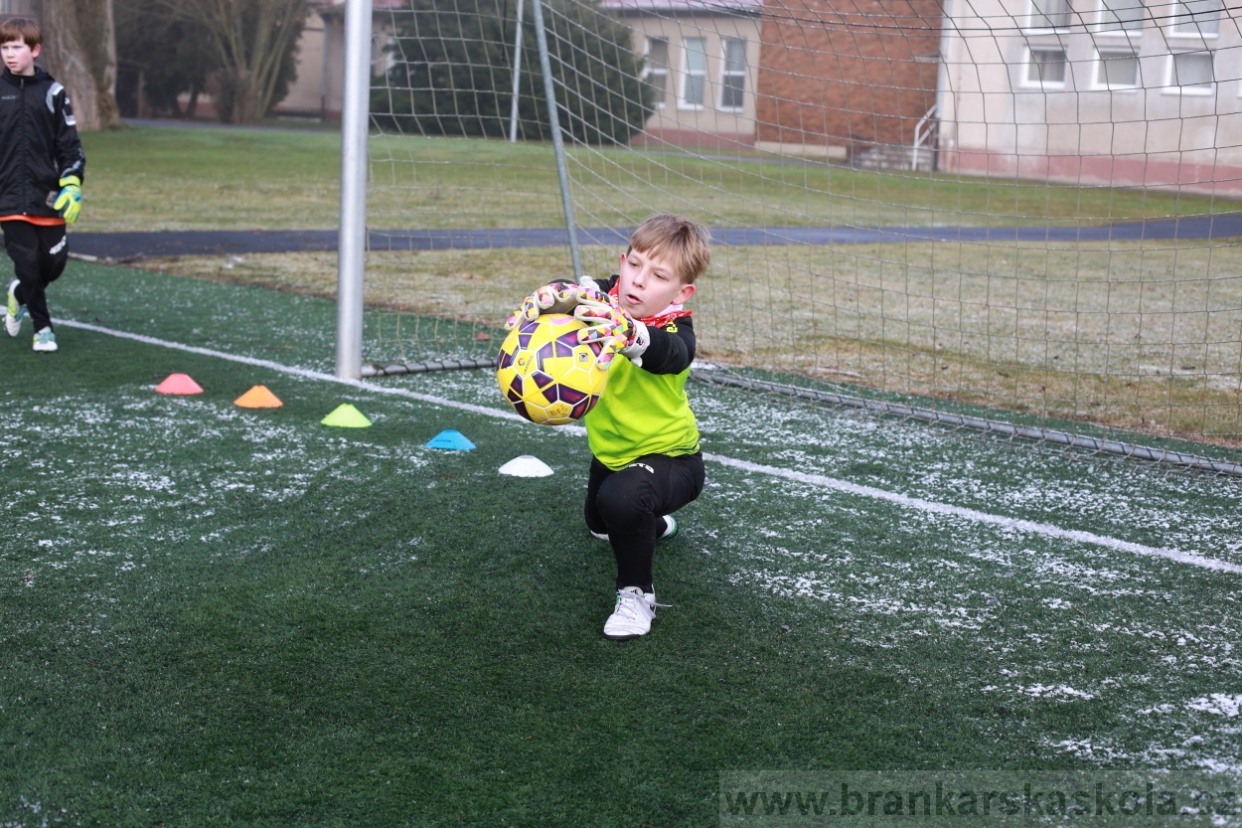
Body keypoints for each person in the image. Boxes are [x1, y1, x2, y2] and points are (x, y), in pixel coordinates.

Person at [505, 214, 711, 640]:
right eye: (634, 265)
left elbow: (671, 353)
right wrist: (551, 296)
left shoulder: (676, 327)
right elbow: (572, 290)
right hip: (611, 456)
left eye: (658, 276)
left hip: (672, 460)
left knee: (621, 501)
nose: (638, 281)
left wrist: (629, 334)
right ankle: (651, 526)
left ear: (682, 290)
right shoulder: (600, 299)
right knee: (601, 525)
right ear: (622, 260)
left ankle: (637, 596)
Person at [0, 16, 86, 353]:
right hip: (7, 199)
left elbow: (70, 145)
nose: (9, 54)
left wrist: (72, 184)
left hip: (48, 197)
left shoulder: (53, 92)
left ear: (35, 50)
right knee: (29, 264)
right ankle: (43, 329)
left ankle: (18, 294)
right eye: (4, 47)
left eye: (17, 47)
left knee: (52, 265)